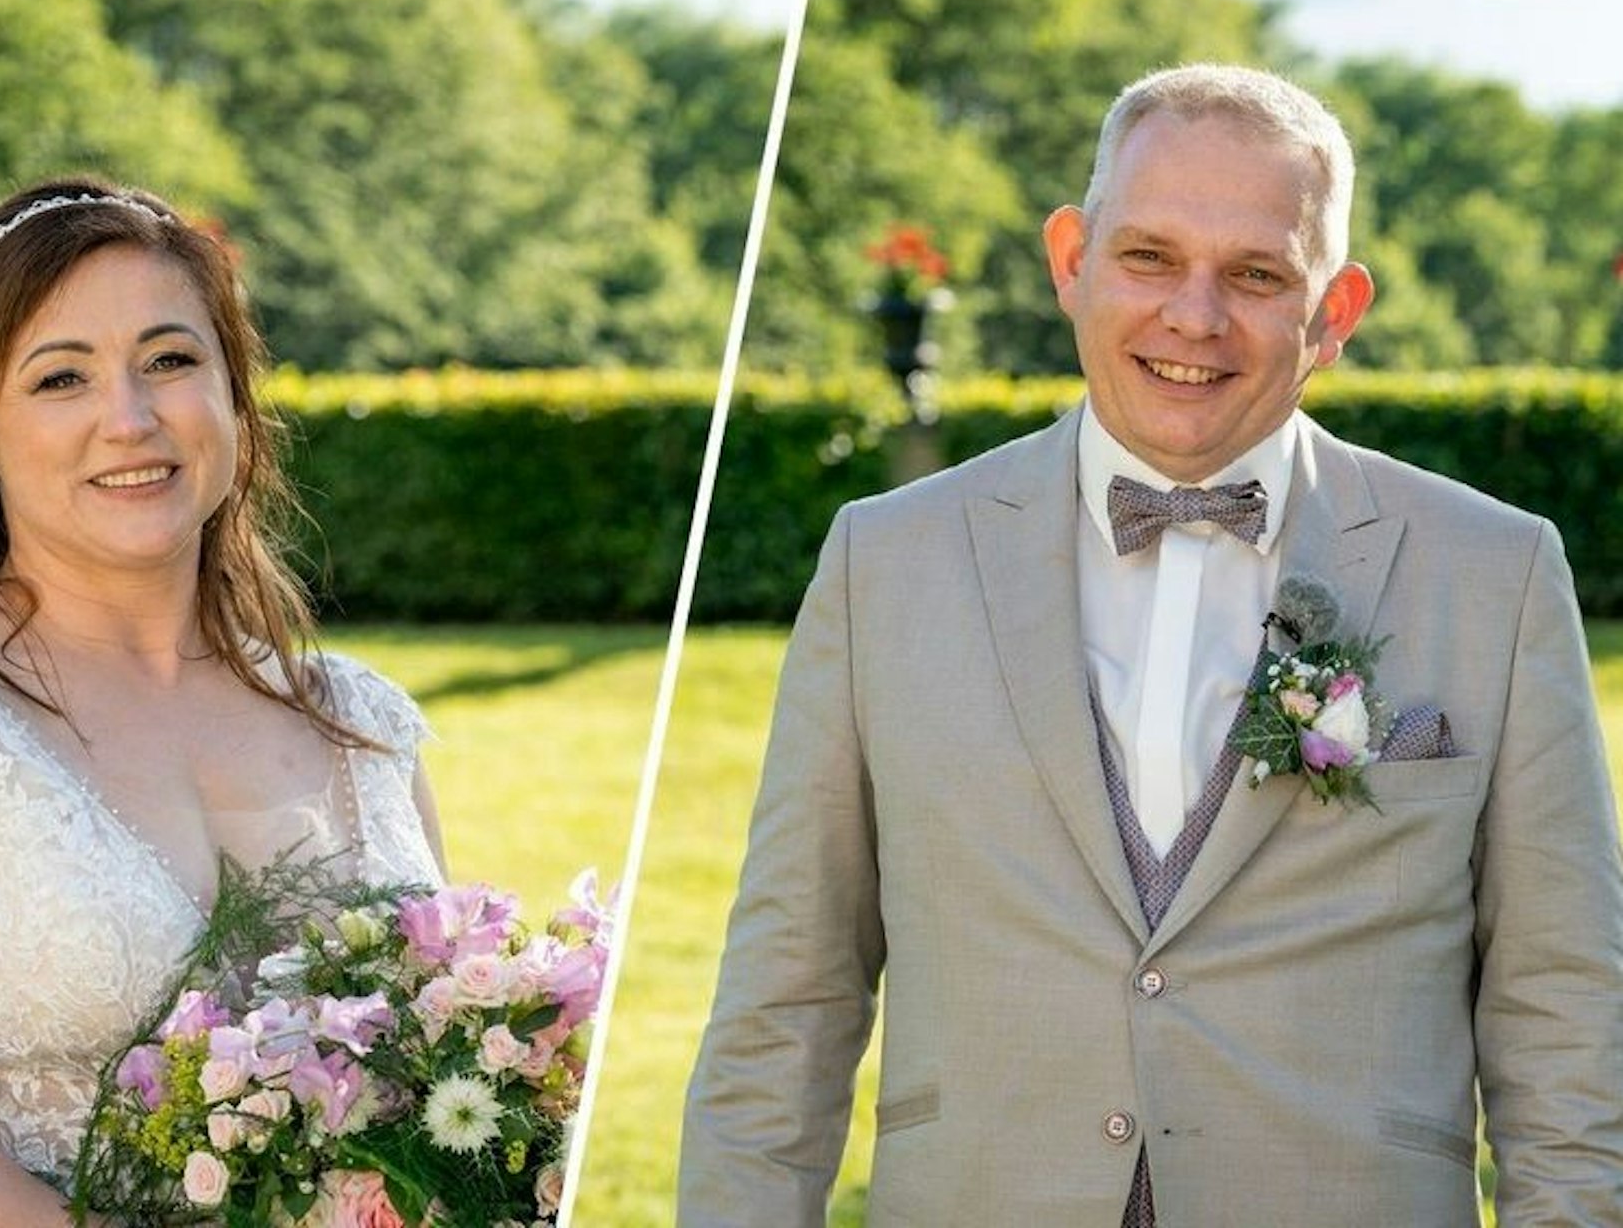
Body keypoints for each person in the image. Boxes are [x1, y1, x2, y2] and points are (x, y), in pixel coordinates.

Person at [679, 64, 1623, 1226]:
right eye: (1148, 257)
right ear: (1071, 259)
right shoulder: (886, 560)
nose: (1193, 315)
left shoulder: (1495, 572)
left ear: (1331, 313)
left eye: (1256, 274)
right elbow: (787, 994)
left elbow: (1565, 1008)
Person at [0, 178, 447, 1225]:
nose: (129, 419)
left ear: (233, 399)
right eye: (60, 378)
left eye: (170, 361)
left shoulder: (361, 723)